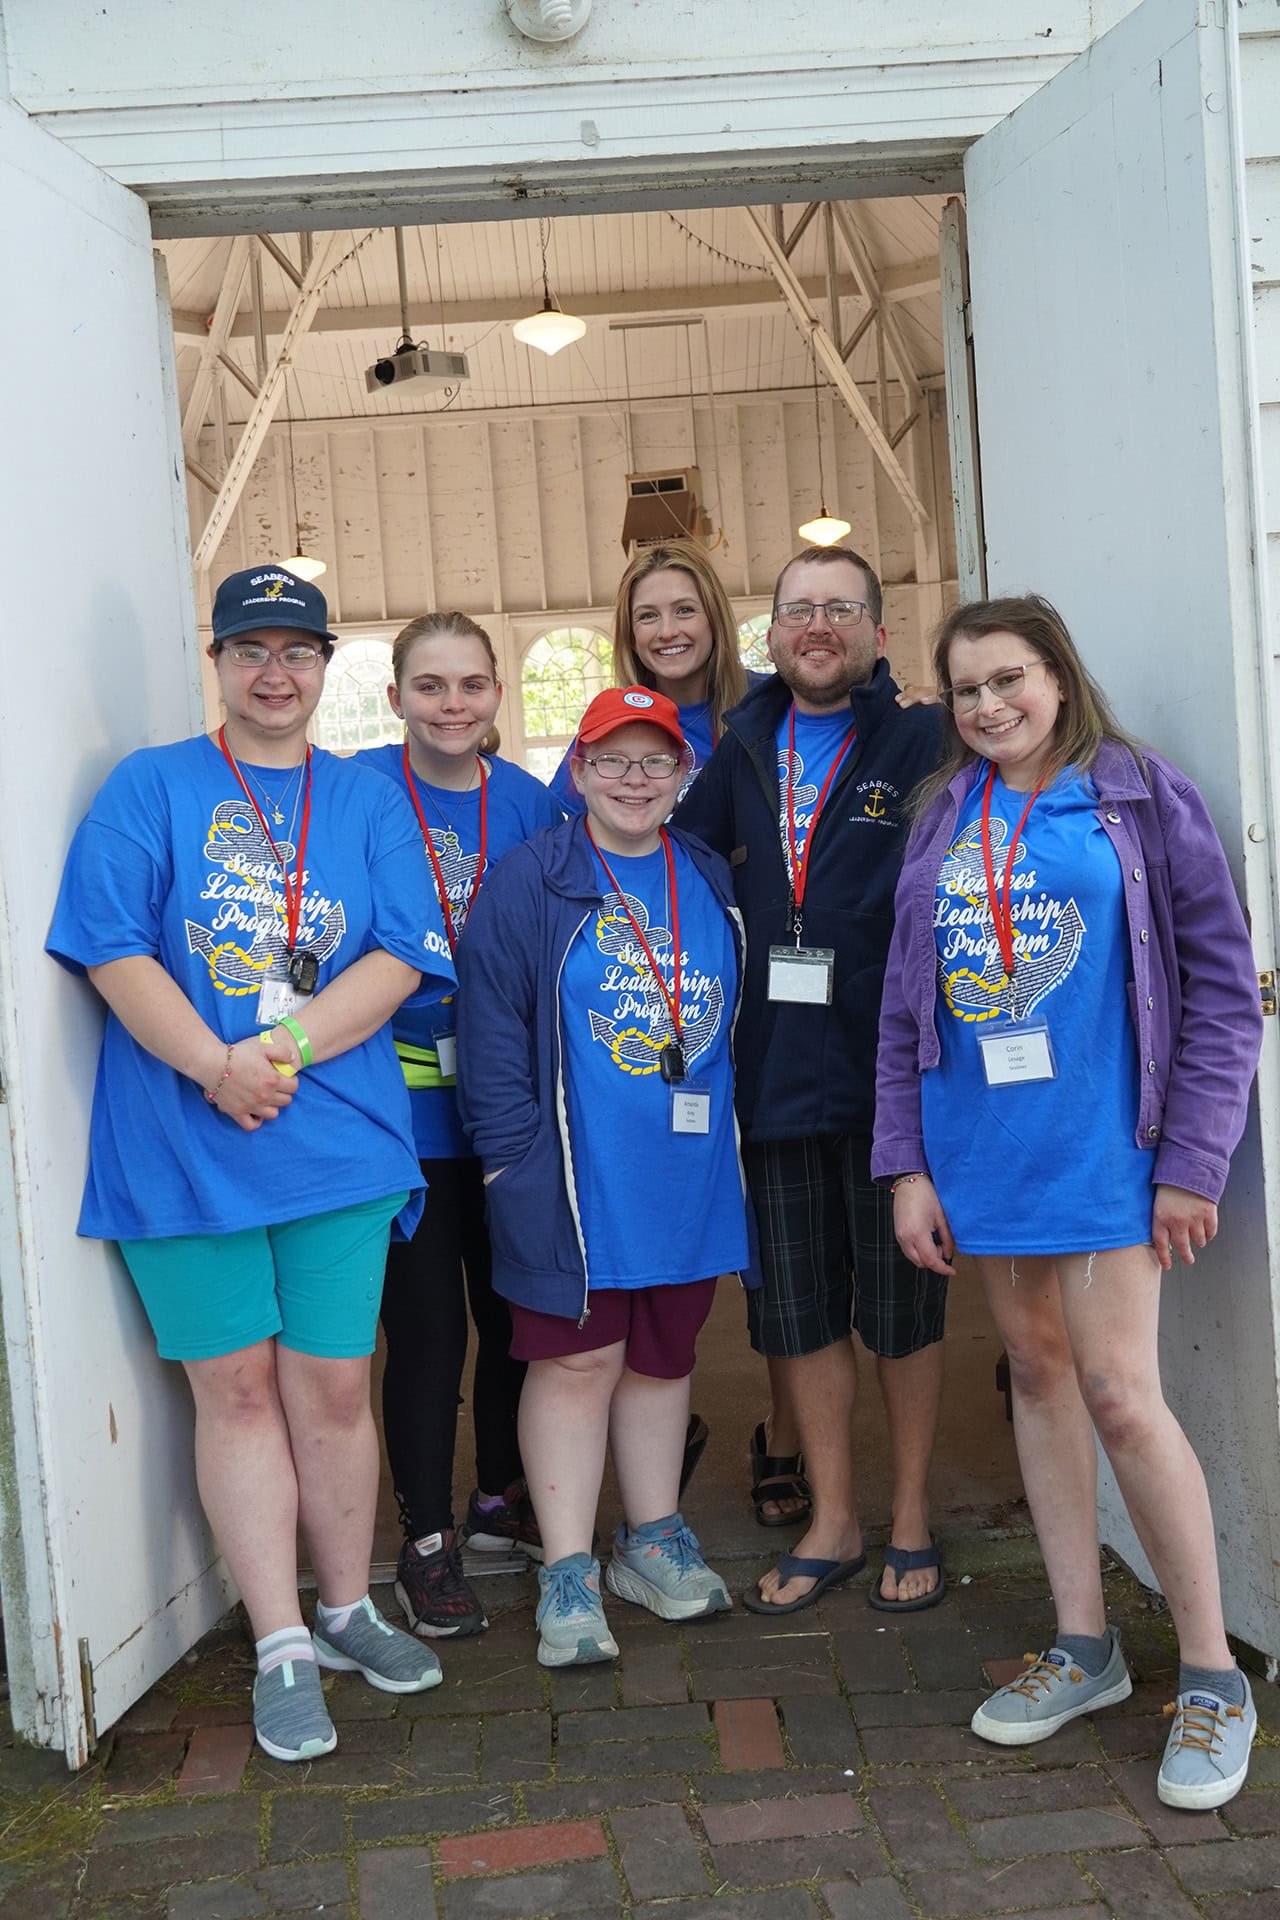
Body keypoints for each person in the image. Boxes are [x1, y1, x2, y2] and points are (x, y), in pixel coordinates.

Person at [47, 566, 456, 1763]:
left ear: (327, 665)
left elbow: (398, 956)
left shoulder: (368, 797)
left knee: (330, 1388)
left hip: (335, 1145)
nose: (274, 674)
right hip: (184, 1150)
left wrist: (270, 1049)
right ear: (217, 663)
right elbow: (110, 948)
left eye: (296, 651)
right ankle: (280, 1641)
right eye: (250, 651)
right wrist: (213, 1068)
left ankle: (345, 1607)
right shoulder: (150, 787)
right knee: (231, 1392)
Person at [874, 593, 1262, 1810]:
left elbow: (1215, 980)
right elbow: (901, 1007)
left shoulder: (1137, 794)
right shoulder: (944, 815)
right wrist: (906, 1166)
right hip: (981, 1151)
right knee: (1035, 1377)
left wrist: (1193, 1161)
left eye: (1010, 678)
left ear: (1057, 674)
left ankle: (1209, 1675)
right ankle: (1082, 1645)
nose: (990, 705)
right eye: (967, 688)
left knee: (1117, 1394)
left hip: (1108, 1152)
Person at [456, 686, 752, 1666]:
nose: (634, 779)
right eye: (611, 761)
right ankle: (570, 1568)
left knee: (665, 1355)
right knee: (576, 1362)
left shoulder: (704, 873)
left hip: (687, 1168)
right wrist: (510, 1166)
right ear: (576, 772)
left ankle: (652, 1539)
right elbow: (493, 1040)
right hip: (574, 1180)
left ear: (682, 775)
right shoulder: (528, 882)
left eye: (654, 761)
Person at [676, 545, 947, 1614]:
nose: (816, 626)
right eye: (797, 610)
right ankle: (834, 1522)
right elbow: (671, 861)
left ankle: (912, 1515)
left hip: (895, 1076)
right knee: (795, 1314)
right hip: (772, 1075)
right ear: (771, 634)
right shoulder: (738, 745)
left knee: (902, 1311)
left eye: (840, 607)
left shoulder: (925, 737)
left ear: (877, 631)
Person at [355, 611, 562, 1639]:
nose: (451, 704)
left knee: (517, 1319)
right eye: (429, 685)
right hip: (397, 1119)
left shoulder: (528, 805)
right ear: (394, 696)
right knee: (428, 1335)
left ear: (496, 696)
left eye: (471, 685)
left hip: (506, 1113)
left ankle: (499, 1500)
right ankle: (425, 1539)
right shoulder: (354, 795)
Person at [549, 539, 751, 811]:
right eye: (647, 616)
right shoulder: (609, 725)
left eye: (685, 610)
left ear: (715, 620)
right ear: (630, 635)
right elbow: (564, 837)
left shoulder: (766, 705)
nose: (667, 631)